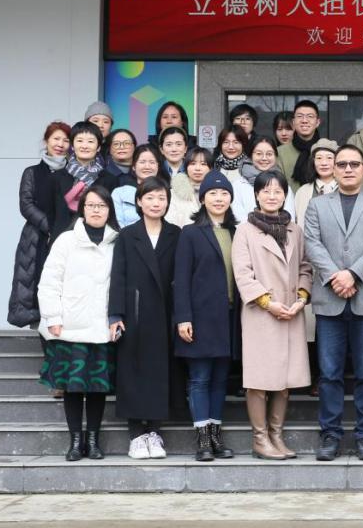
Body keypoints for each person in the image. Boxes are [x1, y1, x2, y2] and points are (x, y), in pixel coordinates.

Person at [303, 144, 363, 462]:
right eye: (341, 164)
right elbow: (312, 243)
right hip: (329, 300)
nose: (348, 169)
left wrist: (353, 274)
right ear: (333, 169)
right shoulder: (317, 205)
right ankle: (330, 434)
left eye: (354, 164)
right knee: (329, 373)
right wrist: (336, 277)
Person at [233, 169, 314, 460]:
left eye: (277, 191)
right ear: (256, 195)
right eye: (265, 191)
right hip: (261, 313)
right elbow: (243, 275)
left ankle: (276, 436)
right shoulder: (245, 230)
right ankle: (260, 438)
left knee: (285, 380)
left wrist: (301, 298)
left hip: (291, 312)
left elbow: (305, 267)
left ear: (285, 195)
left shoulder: (295, 230)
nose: (271, 196)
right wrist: (268, 303)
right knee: (260, 380)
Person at [37, 185, 120, 461]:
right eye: (91, 205)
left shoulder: (117, 241)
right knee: (72, 387)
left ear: (109, 210)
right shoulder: (66, 240)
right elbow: (49, 281)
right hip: (69, 325)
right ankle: (75, 442)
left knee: (97, 388)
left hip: (102, 326)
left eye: (102, 206)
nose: (96, 210)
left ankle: (93, 441)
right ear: (82, 208)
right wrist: (53, 317)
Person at [108, 177, 183, 460]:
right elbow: (118, 277)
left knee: (159, 372)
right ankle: (136, 435)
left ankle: (154, 431)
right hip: (135, 313)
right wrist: (115, 314)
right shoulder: (127, 235)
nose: (156, 203)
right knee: (133, 371)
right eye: (150, 198)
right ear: (139, 201)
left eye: (161, 198)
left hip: (165, 313)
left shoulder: (176, 234)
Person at [174, 170, 240, 462]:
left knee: (220, 380)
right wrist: (183, 317)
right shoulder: (190, 233)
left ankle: (215, 435)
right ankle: (202, 438)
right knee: (200, 378)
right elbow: (181, 279)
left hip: (229, 318)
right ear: (202, 199)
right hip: (199, 318)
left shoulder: (238, 232)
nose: (218, 198)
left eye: (224, 193)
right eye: (212, 193)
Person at [9, 121, 71, 329]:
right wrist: (50, 227)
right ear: (46, 141)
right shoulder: (32, 172)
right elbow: (26, 205)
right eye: (56, 139)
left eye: (65, 140)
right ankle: (37, 326)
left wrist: (61, 230)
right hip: (35, 237)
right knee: (35, 280)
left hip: (66, 236)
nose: (60, 144)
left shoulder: (74, 173)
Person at [294, 139, 339, 394]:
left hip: (339, 265)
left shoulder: (344, 188)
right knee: (310, 323)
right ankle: (312, 376)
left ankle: (329, 376)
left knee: (333, 322)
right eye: (319, 158)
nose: (324, 163)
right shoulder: (303, 192)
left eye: (329, 158)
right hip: (309, 264)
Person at [51, 121, 113, 242]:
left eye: (90, 141)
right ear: (72, 146)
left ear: (98, 147)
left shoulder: (109, 179)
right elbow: (49, 213)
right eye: (79, 141)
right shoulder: (56, 178)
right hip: (62, 240)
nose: (84, 146)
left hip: (98, 240)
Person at [231, 136, 296, 220]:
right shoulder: (238, 185)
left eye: (269, 154)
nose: (264, 158)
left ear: (275, 156)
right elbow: (238, 217)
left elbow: (289, 218)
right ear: (250, 156)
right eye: (259, 154)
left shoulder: (283, 185)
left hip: (279, 229)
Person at [112, 144, 168, 228]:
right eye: (142, 162)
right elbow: (117, 223)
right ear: (134, 166)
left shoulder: (166, 192)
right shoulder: (119, 193)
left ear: (158, 166)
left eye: (152, 162)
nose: (147, 166)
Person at [277, 100, 322, 191]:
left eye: (310, 116)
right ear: (293, 122)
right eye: (300, 116)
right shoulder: (279, 152)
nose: (304, 121)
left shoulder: (328, 150)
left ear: (317, 122)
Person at [166, 148, 213, 228]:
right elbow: (169, 223)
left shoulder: (219, 193)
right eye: (193, 163)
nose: (197, 168)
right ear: (186, 167)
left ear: (210, 168)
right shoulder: (173, 194)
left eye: (203, 164)